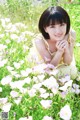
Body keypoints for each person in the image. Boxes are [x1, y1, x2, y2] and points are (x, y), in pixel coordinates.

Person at [29, 6, 77, 79]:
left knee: (72, 72)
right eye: (52, 27)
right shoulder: (39, 40)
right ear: (45, 29)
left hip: (63, 66)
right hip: (45, 66)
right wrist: (59, 52)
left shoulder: (71, 34)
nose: (58, 31)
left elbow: (67, 62)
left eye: (62, 25)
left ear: (67, 24)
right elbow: (50, 67)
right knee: (45, 75)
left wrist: (66, 50)